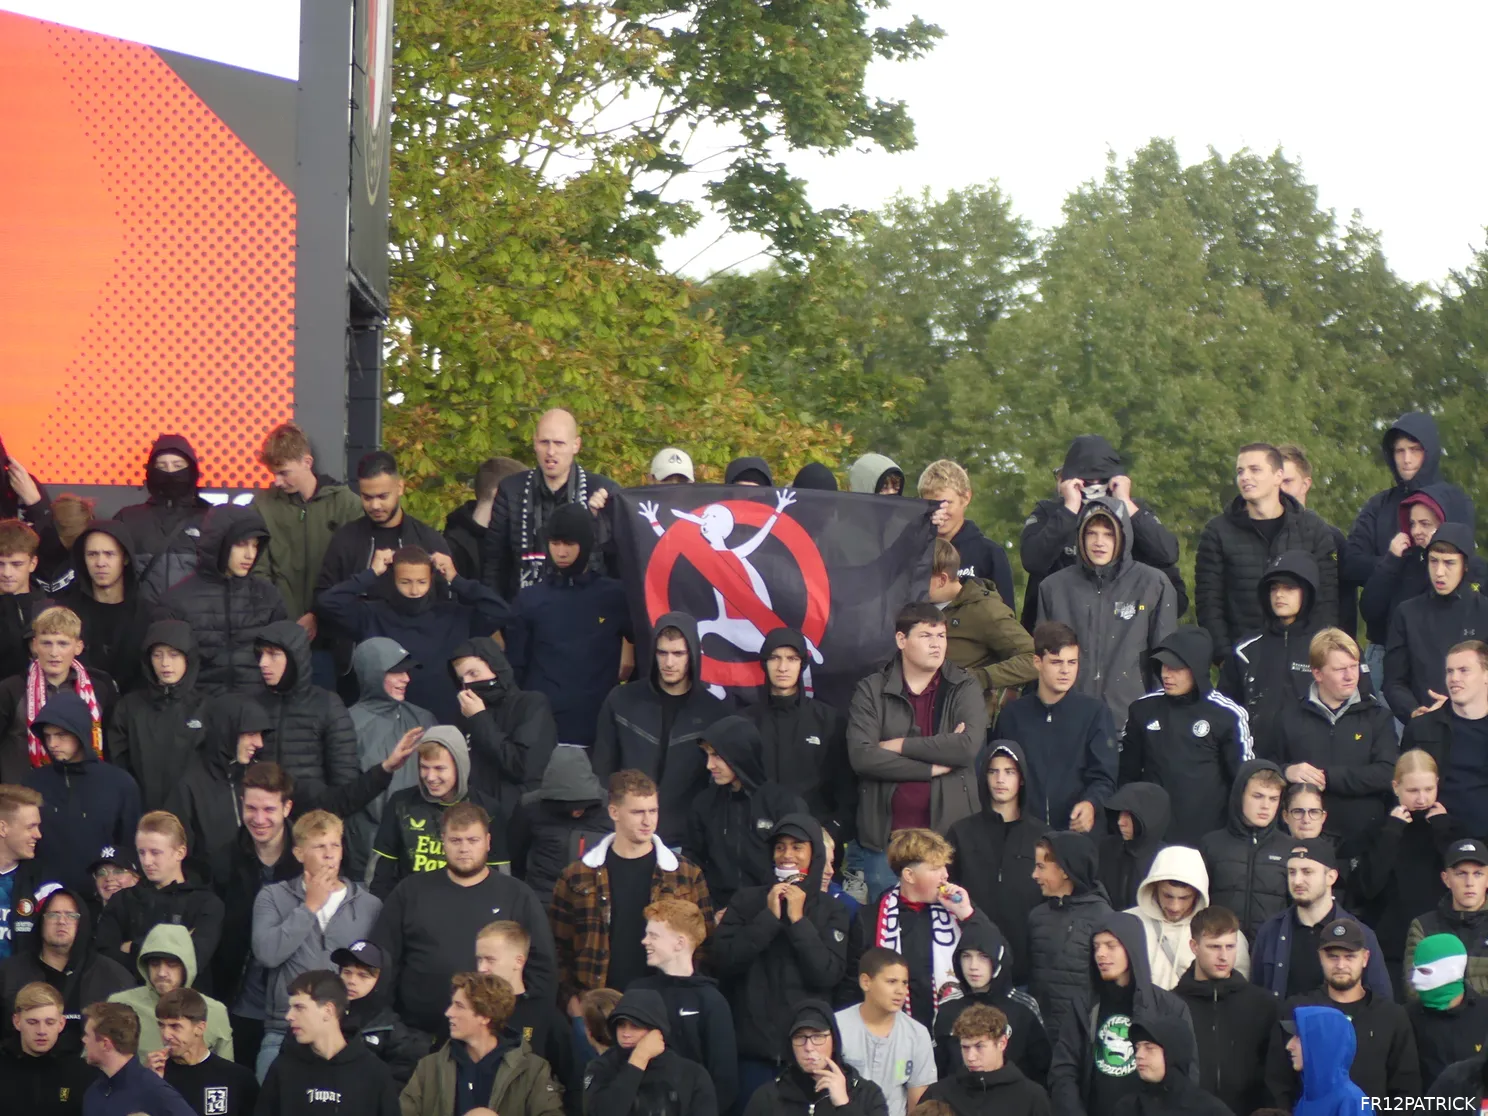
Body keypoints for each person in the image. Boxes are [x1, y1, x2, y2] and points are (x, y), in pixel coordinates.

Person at [372, 802, 554, 1035]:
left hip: (495, 1037)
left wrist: (522, 1028)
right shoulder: (410, 891)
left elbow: (542, 969)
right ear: (443, 841)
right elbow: (383, 962)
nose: (464, 848)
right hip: (418, 1035)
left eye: (472, 840)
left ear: (488, 842)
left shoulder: (517, 895)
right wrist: (393, 1029)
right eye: (456, 840)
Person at [846, 602, 988, 900]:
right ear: (901, 640)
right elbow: (863, 757)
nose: (937, 645)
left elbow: (965, 748)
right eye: (926, 636)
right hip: (887, 843)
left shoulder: (963, 686)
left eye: (941, 636)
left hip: (949, 840)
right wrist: (930, 768)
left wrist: (899, 745)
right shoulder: (871, 690)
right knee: (887, 924)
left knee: (949, 925)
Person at [712, 814, 849, 1107]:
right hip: (752, 1055)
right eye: (780, 847)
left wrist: (798, 921)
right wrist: (768, 919)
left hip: (807, 1056)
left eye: (797, 847)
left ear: (814, 854)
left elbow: (827, 974)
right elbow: (722, 961)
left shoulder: (831, 910)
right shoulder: (746, 901)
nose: (787, 854)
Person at [550, 771, 711, 1010]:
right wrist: (570, 999)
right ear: (614, 812)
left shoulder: (686, 874)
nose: (648, 821)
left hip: (666, 1003)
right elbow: (558, 944)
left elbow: (703, 942)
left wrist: (689, 996)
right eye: (638, 812)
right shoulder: (576, 875)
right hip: (598, 1004)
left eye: (653, 811)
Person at [1342, 412, 1475, 676]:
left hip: (1447, 647)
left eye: (1414, 450)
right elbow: (1351, 564)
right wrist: (1393, 562)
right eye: (1399, 451)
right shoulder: (1378, 506)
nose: (1406, 459)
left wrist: (1415, 563)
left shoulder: (1455, 502)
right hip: (1384, 644)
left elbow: (1462, 564)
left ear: (1430, 451)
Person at [251, 811, 381, 1078]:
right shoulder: (272, 896)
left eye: (335, 845)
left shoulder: (369, 905)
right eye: (320, 846)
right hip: (284, 1029)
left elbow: (375, 971)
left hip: (345, 1033)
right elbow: (267, 954)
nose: (329, 854)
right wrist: (309, 906)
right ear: (299, 853)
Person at [318, 545, 510, 724]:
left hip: (445, 720)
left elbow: (500, 612)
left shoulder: (454, 615)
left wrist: (455, 579)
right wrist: (371, 573)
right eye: (405, 582)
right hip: (389, 721)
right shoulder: (371, 615)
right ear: (393, 579)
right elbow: (328, 603)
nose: (414, 590)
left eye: (421, 582)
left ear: (431, 579)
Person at [1036, 497, 1177, 730]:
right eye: (1091, 533)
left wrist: (1160, 720)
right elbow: (1042, 664)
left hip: (1131, 722)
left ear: (1123, 537)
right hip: (1068, 722)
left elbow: (1165, 661)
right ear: (1080, 536)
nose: (1099, 542)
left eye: (1108, 534)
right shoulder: (1053, 588)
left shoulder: (1153, 584)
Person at [1018, 435, 1184, 632]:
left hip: (1124, 622)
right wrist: (1069, 510)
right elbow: (1033, 561)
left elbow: (1168, 554)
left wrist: (1125, 503)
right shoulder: (1050, 512)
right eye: (1086, 481)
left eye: (1102, 480)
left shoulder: (1134, 511)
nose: (1095, 486)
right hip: (1060, 624)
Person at [1195, 442, 1339, 664]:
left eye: (1255, 469)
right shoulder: (1217, 531)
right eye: (1240, 471)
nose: (1245, 477)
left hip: (1304, 660)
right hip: (1241, 660)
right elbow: (1209, 603)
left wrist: (1317, 656)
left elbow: (1327, 600)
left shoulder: (1313, 528)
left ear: (1278, 476)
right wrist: (1225, 659)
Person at [505, 502, 632, 749]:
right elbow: (515, 667)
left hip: (597, 730)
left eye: (569, 544)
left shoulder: (614, 597)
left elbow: (647, 643)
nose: (561, 552)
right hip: (542, 730)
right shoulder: (530, 599)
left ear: (585, 544)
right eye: (555, 543)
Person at [591, 613, 722, 847]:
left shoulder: (715, 713)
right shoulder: (622, 700)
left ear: (692, 654)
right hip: (623, 835)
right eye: (662, 653)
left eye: (678, 654)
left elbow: (715, 786)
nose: (669, 663)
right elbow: (602, 769)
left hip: (684, 841)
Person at [1046, 911, 1196, 1116]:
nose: (1100, 954)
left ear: (1131, 948)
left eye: (1111, 946)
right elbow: (1064, 1070)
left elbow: (1186, 1074)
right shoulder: (1084, 1005)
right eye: (1096, 946)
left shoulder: (1168, 1007)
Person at [848, 829, 997, 1032]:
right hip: (892, 1034)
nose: (945, 875)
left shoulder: (958, 908)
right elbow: (853, 983)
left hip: (955, 1033)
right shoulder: (870, 918)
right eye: (936, 868)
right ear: (909, 875)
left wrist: (969, 915)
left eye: (945, 867)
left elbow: (999, 954)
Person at [1264, 917, 1420, 1106]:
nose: (1340, 965)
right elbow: (1278, 1082)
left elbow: (1406, 1089)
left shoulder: (1391, 1016)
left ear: (1365, 958)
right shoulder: (1298, 1011)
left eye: (1349, 957)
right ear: (1320, 957)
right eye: (1333, 956)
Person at [1119, 626, 1251, 846]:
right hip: (1152, 837)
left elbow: (1243, 780)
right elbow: (1126, 775)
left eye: (1175, 668)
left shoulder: (1228, 715)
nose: (1166, 674)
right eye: (1163, 666)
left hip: (1209, 837)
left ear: (1196, 669)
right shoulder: (1142, 710)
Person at [1272, 628, 1398, 846]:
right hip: (1303, 844)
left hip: (1364, 842)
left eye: (1354, 666)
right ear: (1318, 673)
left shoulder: (1377, 717)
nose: (1350, 676)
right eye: (1340, 669)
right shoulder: (1288, 717)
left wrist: (1328, 777)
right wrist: (1286, 772)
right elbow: (1264, 767)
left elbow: (1388, 773)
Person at [253, 422, 365, 667]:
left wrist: (318, 615)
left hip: (331, 637)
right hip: (279, 635)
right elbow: (259, 569)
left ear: (307, 462)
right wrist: (282, 620)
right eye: (274, 474)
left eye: (284, 472)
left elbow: (353, 573)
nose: (277, 481)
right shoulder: (262, 505)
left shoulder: (347, 505)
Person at [994, 623, 1117, 834]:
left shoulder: (1095, 713)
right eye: (1056, 662)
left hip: (1077, 835)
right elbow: (998, 772)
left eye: (1072, 662)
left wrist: (1091, 804)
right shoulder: (1012, 715)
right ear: (1037, 662)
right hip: (1022, 834)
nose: (1065, 671)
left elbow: (1105, 776)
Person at [482, 409, 617, 600]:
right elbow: (494, 563)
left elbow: (617, 561)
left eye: (559, 443)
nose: (551, 452)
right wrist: (496, 612)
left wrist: (597, 521)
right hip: (524, 608)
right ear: (534, 442)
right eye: (544, 442)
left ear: (576, 445)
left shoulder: (602, 489)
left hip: (587, 606)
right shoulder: (511, 489)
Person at [154, 504, 288, 695]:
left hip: (257, 707)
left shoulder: (268, 596)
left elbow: (284, 663)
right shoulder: (176, 601)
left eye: (255, 545)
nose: (250, 554)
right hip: (199, 709)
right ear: (218, 543)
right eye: (241, 544)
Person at [1348, 749, 1456, 985]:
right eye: (1413, 791)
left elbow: (1462, 880)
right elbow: (1366, 887)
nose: (1422, 799)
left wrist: (1443, 831)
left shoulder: (1450, 828)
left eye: (1429, 789)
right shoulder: (1378, 830)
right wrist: (1392, 833)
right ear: (1395, 787)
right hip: (1390, 947)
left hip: (1442, 943)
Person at [946, 741, 1049, 987]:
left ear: (1021, 779)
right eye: (993, 771)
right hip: (971, 968)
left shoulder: (1043, 836)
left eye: (1009, 772)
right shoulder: (961, 832)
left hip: (1026, 970)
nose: (1000, 779)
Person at [743, 626, 854, 840]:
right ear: (764, 663)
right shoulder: (745, 723)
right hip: (756, 841)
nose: (783, 667)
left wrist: (832, 832)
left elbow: (846, 788)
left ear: (802, 664)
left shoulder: (829, 720)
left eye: (792, 659)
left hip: (813, 841)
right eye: (775, 658)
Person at [314, 450, 454, 621]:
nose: (375, 505)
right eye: (367, 497)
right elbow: (324, 598)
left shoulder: (428, 540)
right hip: (358, 635)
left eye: (382, 496)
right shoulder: (346, 539)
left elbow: (447, 603)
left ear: (400, 488)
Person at [24, 692, 141, 896]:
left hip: (104, 899)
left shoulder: (119, 784)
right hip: (45, 899)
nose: (52, 744)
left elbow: (130, 849)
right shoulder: (32, 784)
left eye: (61, 735)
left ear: (80, 733)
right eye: (47, 736)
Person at [684, 716, 806, 910]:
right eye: (707, 755)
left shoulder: (783, 804)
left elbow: (800, 867)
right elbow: (692, 864)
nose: (709, 765)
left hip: (771, 911)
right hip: (718, 913)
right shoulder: (704, 803)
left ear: (740, 754)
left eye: (717, 756)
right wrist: (709, 911)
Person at [370, 727, 507, 899]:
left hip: (470, 905)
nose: (430, 777)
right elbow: (381, 871)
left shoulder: (487, 809)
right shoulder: (401, 803)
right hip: (412, 905)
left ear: (460, 767)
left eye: (439, 768)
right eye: (424, 767)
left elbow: (500, 876)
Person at [400, 971, 562, 1116]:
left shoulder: (532, 1071)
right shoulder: (429, 1068)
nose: (448, 1013)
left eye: (459, 1006)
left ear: (485, 1016)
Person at [1218, 550, 1335, 749]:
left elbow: (1358, 709)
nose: (1279, 595)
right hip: (1256, 757)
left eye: (1289, 588)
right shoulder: (1246, 649)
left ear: (1307, 591)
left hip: (1318, 758)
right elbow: (1224, 710)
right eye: (1274, 588)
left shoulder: (1332, 645)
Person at [628, 899, 736, 1113]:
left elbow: (725, 1080)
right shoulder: (637, 991)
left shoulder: (710, 1000)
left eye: (654, 935)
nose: (644, 941)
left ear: (679, 943)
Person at [1252, 841, 1392, 1000]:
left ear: (1331, 877)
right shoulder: (1271, 931)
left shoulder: (1361, 935)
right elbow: (1256, 999)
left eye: (1307, 872)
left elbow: (1382, 1002)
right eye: (1292, 872)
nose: (1297, 881)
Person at [345, 638, 437, 878]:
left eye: (407, 672)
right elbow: (344, 793)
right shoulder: (347, 724)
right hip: (367, 845)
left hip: (420, 842)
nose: (406, 679)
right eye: (396, 672)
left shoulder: (423, 719)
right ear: (372, 673)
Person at [95, 812, 224, 983]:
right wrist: (178, 942)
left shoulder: (206, 903)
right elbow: (105, 960)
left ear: (180, 852)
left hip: (186, 998)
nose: (147, 861)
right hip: (129, 995)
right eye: (141, 852)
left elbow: (194, 961)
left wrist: (132, 946)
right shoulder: (121, 900)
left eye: (155, 852)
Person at [1172, 905, 1277, 1116]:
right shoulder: (1171, 1005)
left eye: (1230, 946)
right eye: (1214, 947)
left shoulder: (1263, 1004)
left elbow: (1274, 1077)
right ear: (1194, 946)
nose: (1224, 956)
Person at [0, 887, 132, 1052]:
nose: (62, 921)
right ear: (41, 921)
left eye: (71, 915)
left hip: (89, 1065)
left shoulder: (112, 976)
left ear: (82, 922)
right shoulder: (9, 973)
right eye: (53, 914)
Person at [0, 605, 118, 785]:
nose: (54, 653)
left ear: (78, 647)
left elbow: (111, 745)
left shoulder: (99, 688)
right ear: (35, 645)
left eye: (63, 644)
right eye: (46, 643)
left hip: (82, 789)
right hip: (22, 792)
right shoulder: (11, 689)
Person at [256, 969, 400, 1115]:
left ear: (328, 1010)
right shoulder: (282, 1068)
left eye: (299, 1007)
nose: (289, 1016)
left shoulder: (375, 1073)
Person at [1359, 485, 1483, 653]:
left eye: (1425, 524)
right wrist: (1390, 561)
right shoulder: (1403, 561)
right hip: (1399, 656)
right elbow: (1370, 611)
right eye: (1412, 524)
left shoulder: (1476, 569)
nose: (1416, 531)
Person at [1383, 524, 1488, 720]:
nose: (1439, 572)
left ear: (1465, 565)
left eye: (1449, 563)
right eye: (1433, 561)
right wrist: (1414, 711)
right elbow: (1393, 682)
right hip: (1424, 724)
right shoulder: (1407, 613)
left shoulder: (1484, 612)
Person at [250, 622, 359, 806]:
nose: (263, 663)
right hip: (261, 815)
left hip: (312, 817)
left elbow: (345, 781)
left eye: (273, 654)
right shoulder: (252, 704)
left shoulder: (327, 705)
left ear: (295, 657)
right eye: (260, 655)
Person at [927, 539, 1037, 722]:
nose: (909, 584)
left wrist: (978, 678)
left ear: (942, 579)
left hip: (963, 721)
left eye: (917, 578)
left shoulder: (985, 610)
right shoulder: (913, 606)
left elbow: (1035, 659)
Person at [931, 919, 1051, 1085]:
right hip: (958, 1098)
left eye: (983, 957)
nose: (973, 966)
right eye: (966, 956)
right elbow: (936, 1068)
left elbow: (1042, 1070)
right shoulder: (947, 1007)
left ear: (998, 959)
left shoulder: (1023, 1007)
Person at [448, 636, 559, 815]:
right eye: (462, 679)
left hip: (517, 814)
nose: (467, 684)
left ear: (496, 667)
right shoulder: (464, 715)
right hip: (474, 813)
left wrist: (479, 718)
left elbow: (522, 767)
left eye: (474, 673)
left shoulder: (531, 704)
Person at [106, 621, 205, 814]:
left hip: (192, 815)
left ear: (188, 658)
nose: (165, 663)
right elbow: (118, 765)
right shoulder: (129, 707)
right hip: (142, 814)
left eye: (174, 655)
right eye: (157, 655)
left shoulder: (205, 708)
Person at [471, 921, 573, 1103]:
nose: (482, 968)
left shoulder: (544, 1014)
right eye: (479, 959)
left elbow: (573, 1078)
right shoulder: (467, 1010)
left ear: (518, 961)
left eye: (490, 960)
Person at [1026, 832, 1114, 1038]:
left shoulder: (1103, 917)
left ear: (1065, 870)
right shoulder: (1037, 916)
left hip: (1084, 1037)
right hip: (1041, 1037)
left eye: (1041, 867)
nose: (1034, 875)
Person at [1127, 847, 1252, 990]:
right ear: (1154, 887)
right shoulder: (1128, 923)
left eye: (1184, 898)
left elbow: (1238, 988)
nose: (1175, 906)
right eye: (1167, 896)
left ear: (1198, 894)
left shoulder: (1225, 932)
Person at [741, 998, 890, 1116]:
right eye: (800, 1038)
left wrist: (844, 1105)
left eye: (818, 1037)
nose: (809, 1047)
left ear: (834, 1041)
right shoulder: (768, 1098)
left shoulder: (867, 1094)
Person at [582, 987, 717, 1116]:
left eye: (635, 1026)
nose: (626, 1033)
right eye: (621, 1025)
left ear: (656, 1031)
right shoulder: (601, 1068)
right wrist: (638, 1059)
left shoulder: (691, 1075)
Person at [506, 744, 612, 908]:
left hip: (593, 902)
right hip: (543, 898)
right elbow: (515, 855)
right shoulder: (530, 807)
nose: (576, 812)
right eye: (569, 807)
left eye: (582, 806)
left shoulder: (610, 809)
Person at [834, 948, 936, 1116]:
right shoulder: (836, 1027)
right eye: (891, 981)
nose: (901, 991)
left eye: (904, 983)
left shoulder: (917, 1034)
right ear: (866, 982)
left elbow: (919, 1105)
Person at [107, 923, 232, 1059]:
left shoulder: (215, 1012)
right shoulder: (120, 1006)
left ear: (186, 967)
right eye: (154, 964)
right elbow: (102, 1062)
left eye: (171, 965)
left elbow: (226, 1069)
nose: (161, 973)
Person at [1198, 759, 1292, 940]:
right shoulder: (1211, 845)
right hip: (1221, 947)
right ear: (1239, 795)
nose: (1265, 806)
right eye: (1257, 796)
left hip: (1271, 948)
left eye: (1273, 799)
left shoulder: (1289, 848)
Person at [1402, 640, 1488, 837]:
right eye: (1450, 671)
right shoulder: (1421, 728)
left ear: (1486, 675)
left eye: (1464, 670)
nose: (1454, 678)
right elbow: (1403, 787)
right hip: (1435, 838)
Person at [114, 434, 212, 603]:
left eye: (178, 465)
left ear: (191, 470)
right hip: (141, 616)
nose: (170, 473)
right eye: (162, 466)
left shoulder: (212, 518)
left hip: (196, 617)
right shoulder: (128, 518)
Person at [1277, 443, 1357, 642]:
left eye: (1288, 481)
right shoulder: (1257, 535)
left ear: (1305, 484)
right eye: (1276, 482)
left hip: (1321, 646)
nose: (1281, 489)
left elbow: (1345, 602)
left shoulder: (1331, 537)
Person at [59, 520, 149, 697]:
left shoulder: (147, 614)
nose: (100, 563)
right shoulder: (65, 612)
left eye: (109, 554)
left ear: (125, 558)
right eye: (92, 554)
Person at [330, 940, 428, 1086]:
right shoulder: (324, 1015)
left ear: (381, 980)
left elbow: (396, 1084)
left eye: (363, 975)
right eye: (347, 972)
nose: (351, 981)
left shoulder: (391, 1030)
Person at [917, 460, 1013, 609]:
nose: (940, 511)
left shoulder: (990, 554)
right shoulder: (914, 550)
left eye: (948, 503)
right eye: (932, 504)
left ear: (966, 498)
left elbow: (1006, 614)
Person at [926, 1003, 1052, 1115]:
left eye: (979, 1047)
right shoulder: (939, 1095)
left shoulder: (1032, 1098)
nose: (970, 1057)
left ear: (1002, 1043)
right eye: (965, 1047)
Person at [1403, 836, 1488, 1000]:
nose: (1469, 882)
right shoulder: (1423, 926)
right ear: (1446, 879)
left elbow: (1428, 986)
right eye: (1461, 874)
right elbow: (1415, 988)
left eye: (1478, 874)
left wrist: (1446, 987)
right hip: (1437, 1016)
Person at [154, 987, 259, 1116]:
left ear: (200, 1028)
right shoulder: (155, 1076)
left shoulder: (238, 1078)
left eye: (175, 1026)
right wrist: (149, 1084)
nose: (166, 1035)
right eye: (161, 1025)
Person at [80, 1000, 197, 1116]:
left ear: (105, 1044)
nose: (84, 1040)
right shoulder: (94, 1092)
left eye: (87, 1035)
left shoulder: (155, 1091)